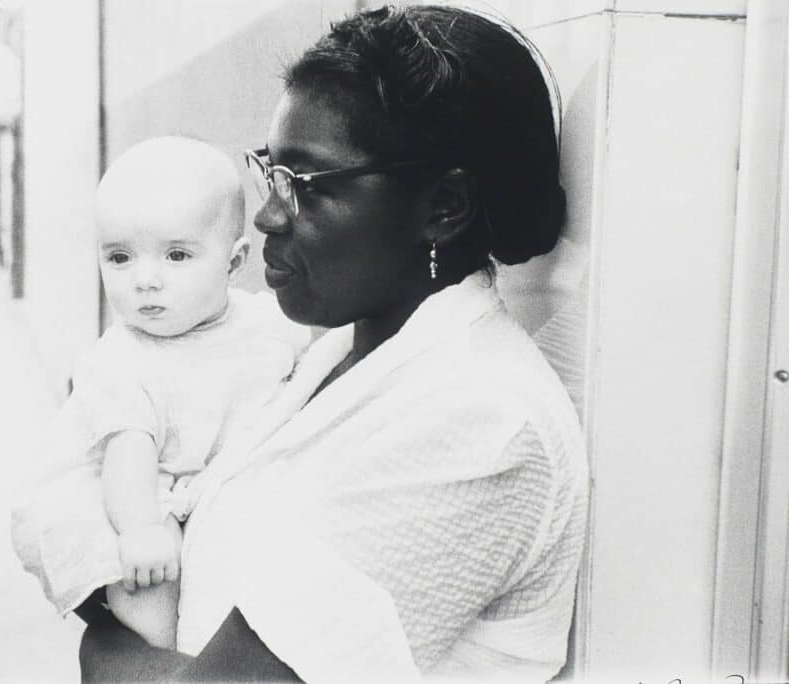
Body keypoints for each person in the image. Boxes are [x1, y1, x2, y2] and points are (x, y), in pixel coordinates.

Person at [73, 5, 588, 681]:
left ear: (443, 208)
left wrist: (103, 644)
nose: (266, 215)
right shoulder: (334, 355)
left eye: (305, 185)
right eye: (269, 171)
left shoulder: (484, 423)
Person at [11, 137, 310, 649]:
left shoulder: (265, 325)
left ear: (234, 263)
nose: (145, 280)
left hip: (229, 482)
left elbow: (295, 384)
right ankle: (163, 657)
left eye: (176, 255)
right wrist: (140, 529)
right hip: (149, 493)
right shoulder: (120, 360)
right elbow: (129, 453)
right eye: (120, 257)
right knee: (148, 580)